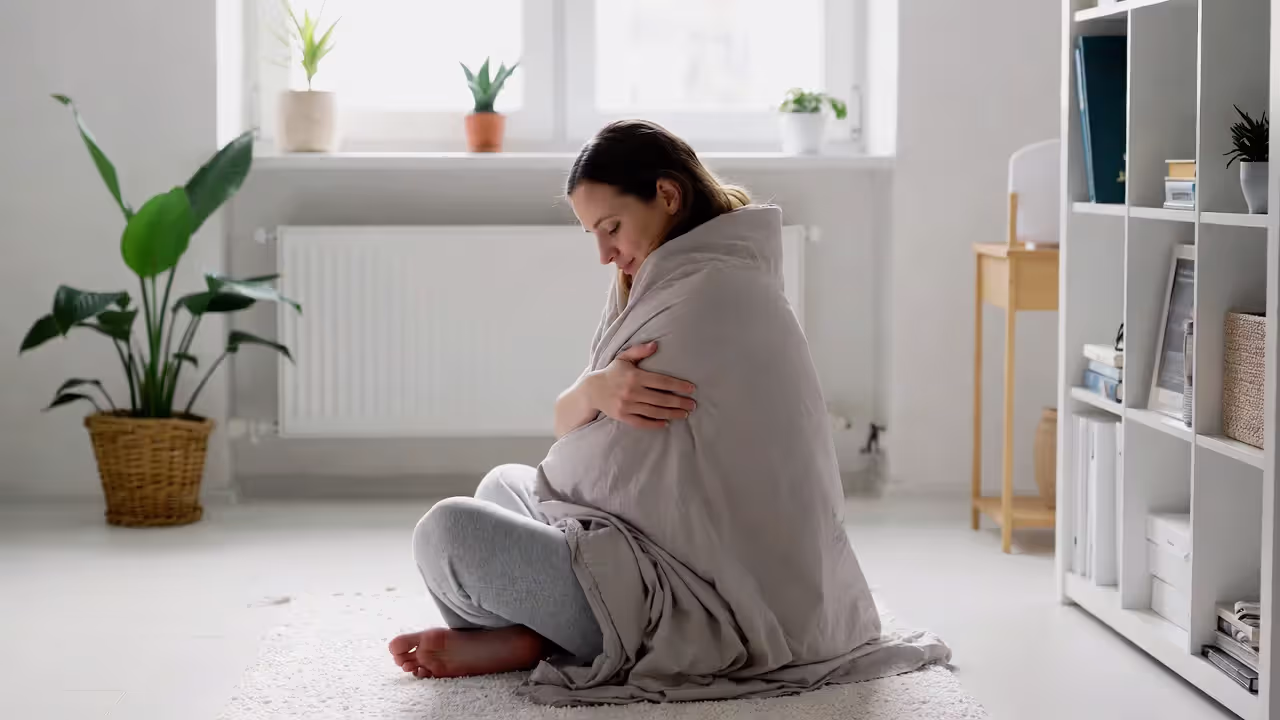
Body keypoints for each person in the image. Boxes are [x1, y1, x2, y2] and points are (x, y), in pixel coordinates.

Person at [387, 121, 904, 699]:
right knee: (500, 483)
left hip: (688, 595)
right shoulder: (664, 275)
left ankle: (549, 639)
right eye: (592, 234)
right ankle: (538, 636)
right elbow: (574, 423)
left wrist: (590, 409)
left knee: (449, 533)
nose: (605, 253)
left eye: (611, 228)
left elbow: (612, 462)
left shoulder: (712, 295)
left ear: (667, 194)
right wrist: (595, 392)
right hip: (633, 548)